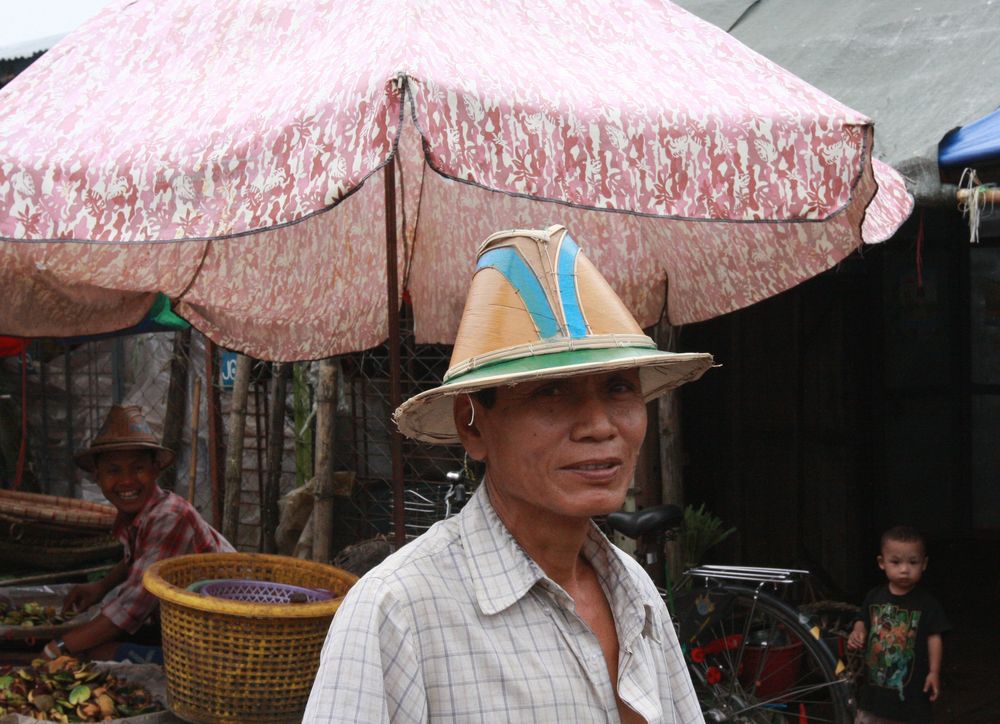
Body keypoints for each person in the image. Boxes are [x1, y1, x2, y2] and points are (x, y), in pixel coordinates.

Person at [304, 224, 714, 723]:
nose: (600, 426)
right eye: (550, 392)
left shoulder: (632, 588)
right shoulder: (399, 610)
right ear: (472, 427)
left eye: (619, 388)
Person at [42, 404, 234, 662]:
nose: (127, 481)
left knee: (92, 653)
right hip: (190, 628)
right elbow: (138, 560)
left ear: (155, 470)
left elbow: (131, 608)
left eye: (138, 468)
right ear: (97, 476)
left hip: (223, 640)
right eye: (113, 471)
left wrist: (57, 648)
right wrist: (100, 586)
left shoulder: (170, 517)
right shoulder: (144, 514)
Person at [848, 525, 951, 724]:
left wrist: (934, 672)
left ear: (924, 564)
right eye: (895, 562)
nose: (904, 569)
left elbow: (935, 637)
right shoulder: (874, 596)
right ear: (882, 562)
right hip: (873, 695)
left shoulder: (927, 604)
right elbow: (862, 620)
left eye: (913, 562)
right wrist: (857, 631)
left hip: (911, 698)